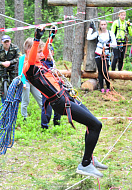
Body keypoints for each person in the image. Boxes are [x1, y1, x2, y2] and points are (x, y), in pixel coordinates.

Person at [22, 27, 108, 178]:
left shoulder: (40, 62)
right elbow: (34, 54)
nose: (43, 55)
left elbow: (46, 52)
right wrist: (36, 40)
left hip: (67, 97)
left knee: (92, 124)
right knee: (96, 125)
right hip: (61, 103)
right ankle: (85, 164)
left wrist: (51, 36)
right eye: (38, 52)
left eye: (42, 52)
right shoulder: (29, 68)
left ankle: (90, 159)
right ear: (29, 51)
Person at [87, 20, 117, 93]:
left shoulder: (110, 33)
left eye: (104, 24)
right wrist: (90, 28)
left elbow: (115, 44)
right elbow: (89, 37)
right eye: (102, 25)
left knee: (105, 70)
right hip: (98, 52)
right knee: (100, 71)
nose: (103, 26)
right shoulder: (98, 33)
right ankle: (101, 87)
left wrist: (109, 45)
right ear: (100, 26)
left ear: (106, 25)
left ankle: (108, 86)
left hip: (106, 53)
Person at [18, 38, 42, 121]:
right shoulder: (22, 58)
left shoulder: (35, 58)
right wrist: (23, 82)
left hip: (33, 81)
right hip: (25, 82)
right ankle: (24, 117)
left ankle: (45, 114)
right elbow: (21, 71)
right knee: (26, 100)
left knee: (40, 97)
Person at [0, 35, 20, 103]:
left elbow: (19, 57)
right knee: (2, 83)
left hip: (12, 66)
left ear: (10, 41)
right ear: (2, 42)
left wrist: (10, 62)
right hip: (2, 67)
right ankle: (3, 100)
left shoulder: (15, 48)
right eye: (5, 42)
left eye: (8, 41)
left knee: (14, 82)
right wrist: (2, 63)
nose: (7, 43)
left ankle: (15, 99)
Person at [40, 45, 61, 129]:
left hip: (55, 87)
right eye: (47, 52)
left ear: (53, 53)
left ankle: (57, 123)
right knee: (46, 107)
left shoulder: (53, 62)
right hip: (46, 87)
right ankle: (44, 126)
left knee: (58, 105)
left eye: (51, 51)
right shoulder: (43, 62)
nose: (49, 53)